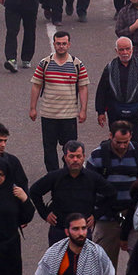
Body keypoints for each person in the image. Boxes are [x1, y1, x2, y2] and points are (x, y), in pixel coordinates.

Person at [84, 120, 138, 275]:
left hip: (133, 218)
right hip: (106, 217)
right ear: (110, 136)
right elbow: (88, 187)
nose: (122, 146)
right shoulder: (97, 156)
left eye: (126, 142)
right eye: (118, 142)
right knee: (105, 262)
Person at [29, 140, 113, 244]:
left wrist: (96, 215)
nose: (75, 160)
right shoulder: (55, 177)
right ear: (65, 158)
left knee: (83, 260)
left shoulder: (92, 178)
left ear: (83, 157)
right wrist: (45, 213)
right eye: (71, 156)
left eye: (78, 156)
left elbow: (112, 194)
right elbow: (34, 191)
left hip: (83, 231)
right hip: (59, 230)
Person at [29, 31, 89, 172]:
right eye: (58, 44)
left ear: (69, 44)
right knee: (49, 149)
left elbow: (83, 88)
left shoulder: (77, 64)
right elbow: (36, 85)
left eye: (64, 44)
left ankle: (67, 173)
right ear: (54, 44)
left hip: (69, 116)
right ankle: (53, 175)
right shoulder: (45, 63)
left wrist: (83, 110)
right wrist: (32, 108)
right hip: (49, 115)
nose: (61, 46)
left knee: (69, 148)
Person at [94, 37, 138, 145]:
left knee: (135, 139)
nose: (125, 53)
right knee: (116, 139)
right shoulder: (110, 68)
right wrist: (100, 112)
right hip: (115, 110)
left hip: (136, 110)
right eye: (121, 50)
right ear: (116, 51)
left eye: (127, 49)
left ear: (132, 49)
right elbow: (102, 91)